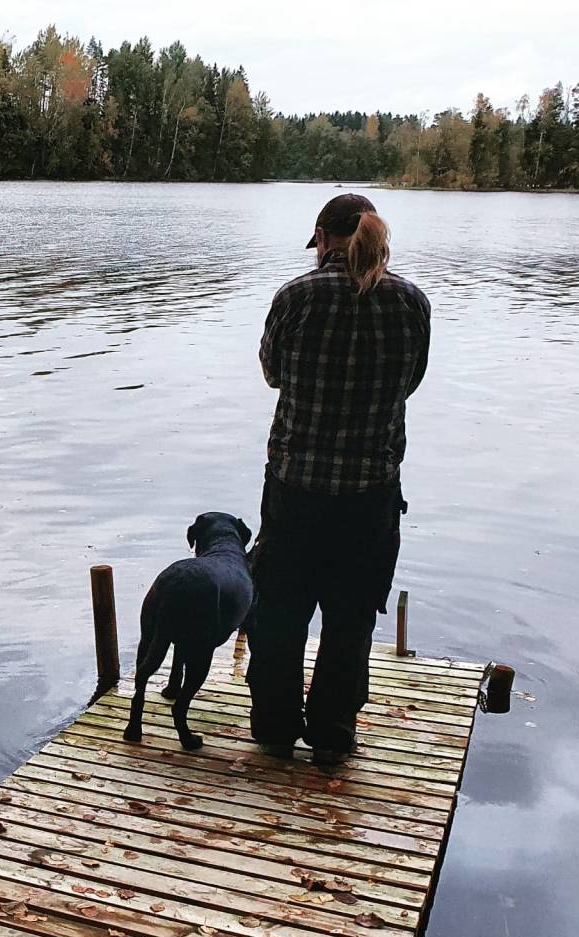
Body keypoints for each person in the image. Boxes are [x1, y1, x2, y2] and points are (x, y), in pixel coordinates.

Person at [246, 193, 430, 765]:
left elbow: (273, 373)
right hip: (370, 496)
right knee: (349, 618)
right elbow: (412, 382)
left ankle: (275, 727)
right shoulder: (411, 303)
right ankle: (332, 732)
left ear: (322, 237)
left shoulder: (295, 297)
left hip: (295, 489)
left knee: (278, 611)